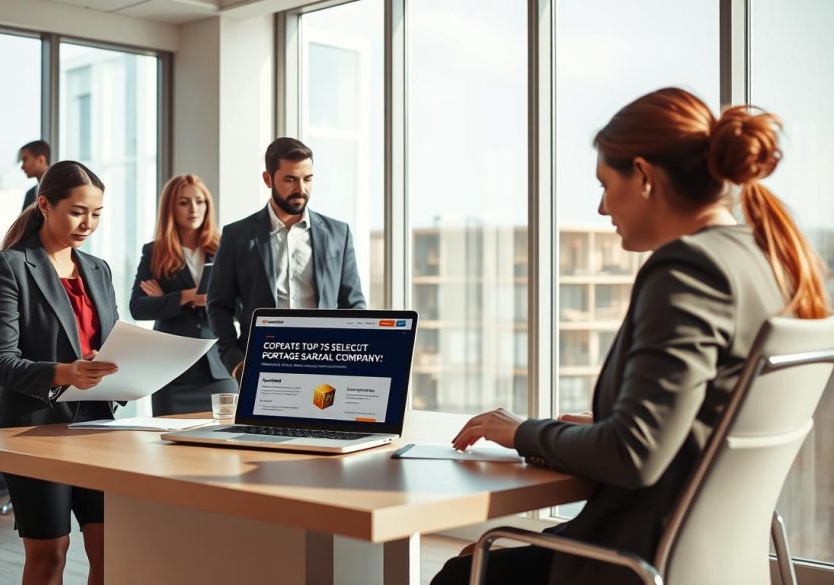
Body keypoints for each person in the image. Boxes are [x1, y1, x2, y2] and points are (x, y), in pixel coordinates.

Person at [432, 88, 831, 585]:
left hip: (636, 563)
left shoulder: (688, 270)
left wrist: (525, 432)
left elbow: (635, 454)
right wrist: (605, 427)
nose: (602, 208)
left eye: (605, 184)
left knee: (461, 574)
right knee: (476, 558)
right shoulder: (770, 259)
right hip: (714, 560)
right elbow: (716, 423)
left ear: (643, 176)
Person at [0, 160, 120, 585]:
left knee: (113, 548)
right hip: (35, 427)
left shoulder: (98, 269)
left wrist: (130, 368)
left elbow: (111, 343)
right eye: (77, 212)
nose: (88, 223)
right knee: (50, 553)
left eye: (96, 214)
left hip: (96, 425)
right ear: (44, 205)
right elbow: (0, 362)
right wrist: (65, 372)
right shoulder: (9, 266)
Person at [207, 137, 367, 381]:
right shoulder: (237, 235)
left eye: (308, 179)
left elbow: (353, 305)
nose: (301, 188)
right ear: (268, 179)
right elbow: (218, 305)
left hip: (326, 365)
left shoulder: (338, 233)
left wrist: (351, 360)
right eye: (290, 179)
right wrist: (235, 362)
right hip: (262, 366)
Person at [130, 174, 237, 414]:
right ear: (171, 207)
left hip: (218, 368)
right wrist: (185, 296)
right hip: (171, 371)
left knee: (225, 434)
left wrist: (165, 298)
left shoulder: (224, 249)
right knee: (169, 436)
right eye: (184, 202)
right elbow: (138, 307)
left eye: (200, 201)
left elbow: (241, 305)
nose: (193, 209)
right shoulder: (155, 252)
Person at [19, 140, 51, 211]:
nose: (22, 167)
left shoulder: (61, 189)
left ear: (41, 160)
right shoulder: (30, 194)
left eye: (25, 160)